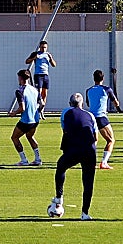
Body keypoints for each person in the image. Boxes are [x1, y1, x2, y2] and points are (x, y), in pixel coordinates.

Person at [50, 93, 98, 221]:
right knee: (88, 182)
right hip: (89, 150)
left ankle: (59, 196)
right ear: (82, 103)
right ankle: (85, 213)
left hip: (74, 150)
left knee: (61, 167)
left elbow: (65, 131)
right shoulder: (90, 115)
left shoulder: (66, 113)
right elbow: (96, 137)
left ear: (70, 103)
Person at [85, 69, 121, 169]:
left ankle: (89, 161)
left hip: (91, 118)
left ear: (94, 78)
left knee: (94, 141)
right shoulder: (107, 89)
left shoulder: (89, 90)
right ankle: (104, 162)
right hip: (101, 117)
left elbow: (88, 103)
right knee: (111, 140)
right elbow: (116, 103)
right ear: (103, 78)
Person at [9, 70, 41, 167]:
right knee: (30, 137)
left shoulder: (20, 91)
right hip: (35, 120)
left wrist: (14, 113)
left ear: (21, 78)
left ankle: (24, 160)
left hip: (26, 120)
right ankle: (37, 159)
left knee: (14, 137)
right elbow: (42, 103)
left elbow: (22, 108)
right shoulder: (34, 90)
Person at [25, 40, 56, 108]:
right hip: (38, 75)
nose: (43, 49)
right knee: (39, 92)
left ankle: (42, 110)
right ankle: (36, 107)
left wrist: (51, 58)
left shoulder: (48, 55)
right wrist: (33, 58)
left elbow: (54, 65)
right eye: (42, 47)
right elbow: (27, 61)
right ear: (39, 47)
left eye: (45, 47)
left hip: (46, 75)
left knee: (44, 93)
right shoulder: (35, 54)